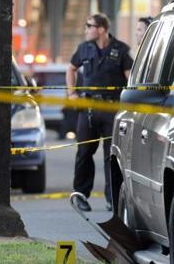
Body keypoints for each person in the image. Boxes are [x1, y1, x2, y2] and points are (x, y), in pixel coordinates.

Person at [66, 13, 133, 212]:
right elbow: (71, 69)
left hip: (112, 108)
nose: (85, 30)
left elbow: (130, 78)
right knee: (84, 152)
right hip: (88, 109)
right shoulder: (83, 49)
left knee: (110, 155)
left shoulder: (120, 50)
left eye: (89, 26)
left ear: (102, 29)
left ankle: (112, 198)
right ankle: (80, 195)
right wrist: (71, 93)